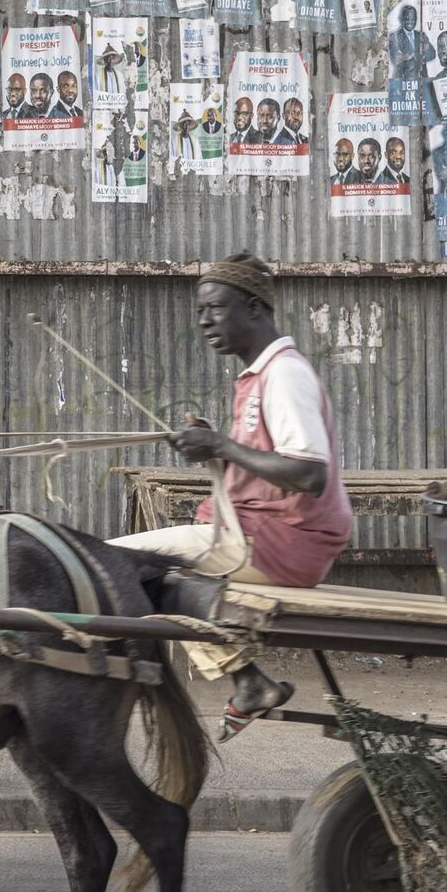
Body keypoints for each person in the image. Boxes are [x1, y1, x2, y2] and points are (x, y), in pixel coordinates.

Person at [110, 256, 351, 742]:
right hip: (263, 536)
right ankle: (247, 682)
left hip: (278, 542)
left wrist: (219, 446)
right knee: (147, 573)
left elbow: (310, 474)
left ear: (255, 308)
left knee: (111, 563)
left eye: (215, 309)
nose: (204, 322)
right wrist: (214, 443)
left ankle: (242, 681)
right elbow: (267, 462)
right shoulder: (260, 376)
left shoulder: (283, 375)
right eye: (201, 311)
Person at [389, 4, 433, 82]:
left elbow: (432, 54)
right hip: (403, 79)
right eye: (407, 18)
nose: (410, 22)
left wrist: (411, 55)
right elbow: (397, 60)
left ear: (416, 19)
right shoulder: (394, 37)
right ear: (402, 19)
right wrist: (420, 54)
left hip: (422, 79)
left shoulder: (421, 35)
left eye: (413, 19)